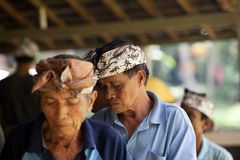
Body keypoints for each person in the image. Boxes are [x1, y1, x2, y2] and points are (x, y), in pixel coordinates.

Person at [0, 54, 128, 160]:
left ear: (90, 101)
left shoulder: (109, 141)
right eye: (50, 101)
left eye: (72, 101)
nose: (61, 114)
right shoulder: (18, 140)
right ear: (41, 102)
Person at [89, 40, 197, 160]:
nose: (109, 95)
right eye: (104, 87)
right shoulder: (98, 122)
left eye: (116, 85)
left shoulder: (174, 120)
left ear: (140, 78)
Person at [0, 38, 41, 133]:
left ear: (15, 58)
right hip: (35, 132)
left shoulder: (3, 84)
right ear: (33, 58)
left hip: (11, 133)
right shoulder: (39, 83)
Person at [181, 88, 233, 160]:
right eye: (181, 114)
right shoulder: (170, 150)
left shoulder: (221, 157)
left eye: (190, 116)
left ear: (206, 124)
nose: (183, 120)